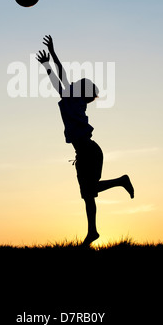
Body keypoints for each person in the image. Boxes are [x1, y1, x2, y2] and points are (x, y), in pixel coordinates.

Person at [36, 35, 134, 246]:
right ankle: (93, 232)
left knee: (89, 190)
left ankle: (121, 181)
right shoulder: (71, 97)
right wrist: (47, 63)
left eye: (79, 82)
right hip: (85, 152)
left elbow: (60, 75)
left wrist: (51, 57)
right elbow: (59, 79)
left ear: (81, 89)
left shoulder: (74, 98)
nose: (74, 82)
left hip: (88, 151)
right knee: (88, 194)